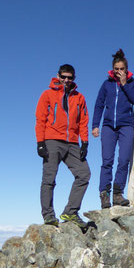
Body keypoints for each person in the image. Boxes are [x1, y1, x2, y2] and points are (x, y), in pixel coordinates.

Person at [35, 64, 91, 229]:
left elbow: (83, 121)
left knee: (84, 174)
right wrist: (40, 143)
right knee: (49, 179)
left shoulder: (79, 97)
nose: (66, 80)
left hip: (72, 143)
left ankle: (71, 212)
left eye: (70, 77)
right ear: (58, 76)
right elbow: (40, 119)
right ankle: (48, 216)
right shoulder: (47, 94)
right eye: (63, 77)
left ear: (74, 78)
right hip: (52, 141)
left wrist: (85, 142)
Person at [92, 49, 134, 209]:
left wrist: (124, 84)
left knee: (124, 160)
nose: (119, 72)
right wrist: (95, 125)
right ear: (113, 69)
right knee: (107, 161)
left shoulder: (132, 83)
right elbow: (99, 104)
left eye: (122, 69)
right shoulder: (107, 84)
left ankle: (118, 194)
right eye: (116, 69)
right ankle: (104, 195)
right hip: (108, 126)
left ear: (126, 70)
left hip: (126, 125)